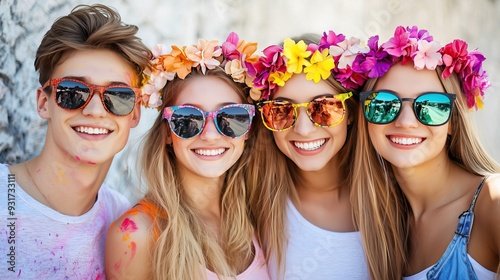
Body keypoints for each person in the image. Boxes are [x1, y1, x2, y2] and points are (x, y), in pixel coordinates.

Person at [0, 4, 151, 279]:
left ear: (135, 113)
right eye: (73, 91)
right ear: (44, 102)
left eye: (118, 96)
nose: (95, 110)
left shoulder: (123, 222)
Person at [105, 32, 270, 280]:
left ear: (248, 130)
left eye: (232, 117)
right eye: (188, 119)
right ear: (168, 133)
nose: (211, 135)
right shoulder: (137, 234)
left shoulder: (261, 217)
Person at [247, 31, 404, 279]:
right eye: (281, 111)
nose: (303, 129)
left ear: (351, 112)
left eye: (324, 108)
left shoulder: (397, 200)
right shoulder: (253, 204)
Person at [353, 25, 500, 279]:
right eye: (384, 104)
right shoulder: (378, 221)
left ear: (453, 121)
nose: (406, 122)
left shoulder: (492, 201)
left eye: (432, 105)